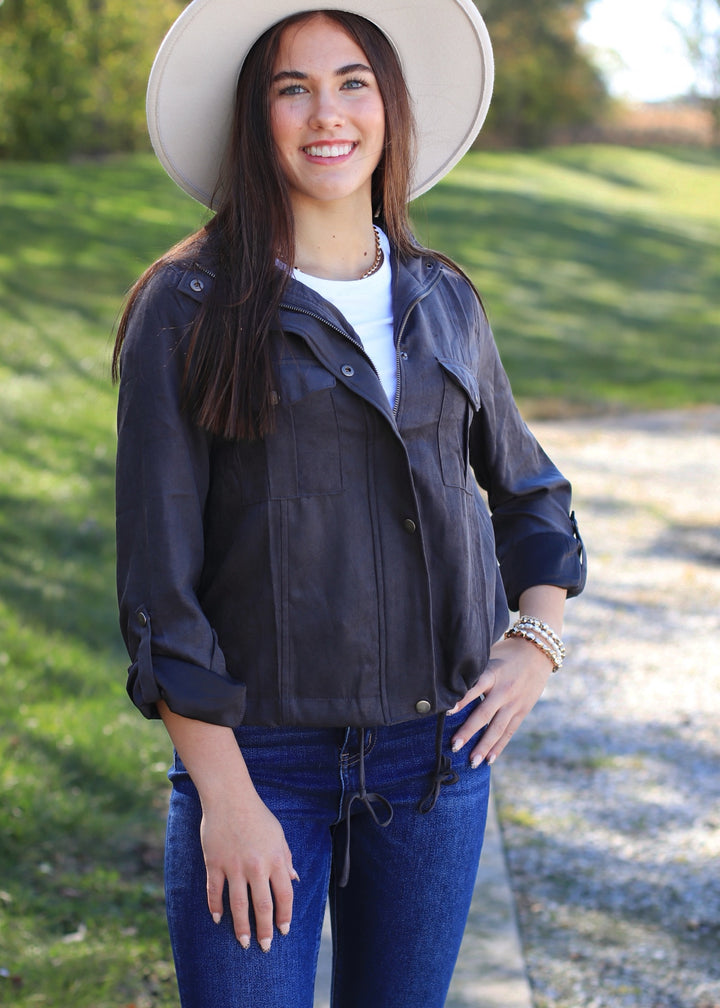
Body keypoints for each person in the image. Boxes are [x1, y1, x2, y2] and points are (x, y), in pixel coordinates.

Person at [113, 1, 586, 1005]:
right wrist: (224, 797)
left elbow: (530, 489)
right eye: (293, 88)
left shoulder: (442, 297)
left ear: (388, 107)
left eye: (351, 82)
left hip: (435, 768)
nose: (326, 113)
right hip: (258, 765)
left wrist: (533, 641)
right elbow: (159, 583)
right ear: (257, 117)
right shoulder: (187, 306)